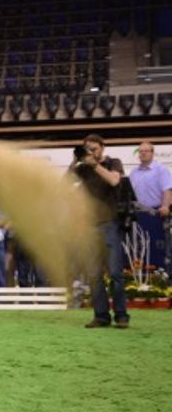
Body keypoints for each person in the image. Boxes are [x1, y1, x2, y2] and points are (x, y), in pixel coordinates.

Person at [71, 134, 130, 328]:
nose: (92, 153)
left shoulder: (113, 163)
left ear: (102, 148)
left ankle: (121, 315)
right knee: (94, 274)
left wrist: (94, 164)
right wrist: (75, 161)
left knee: (115, 273)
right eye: (88, 149)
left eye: (94, 149)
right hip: (89, 226)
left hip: (109, 223)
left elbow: (114, 181)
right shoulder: (83, 169)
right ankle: (101, 316)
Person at [127, 141, 172, 269]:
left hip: (156, 213)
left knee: (157, 247)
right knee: (139, 247)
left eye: (146, 151)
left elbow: (167, 190)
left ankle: (160, 276)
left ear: (152, 153)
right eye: (140, 151)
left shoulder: (161, 170)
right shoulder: (134, 172)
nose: (143, 153)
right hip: (138, 216)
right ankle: (141, 277)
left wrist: (166, 206)